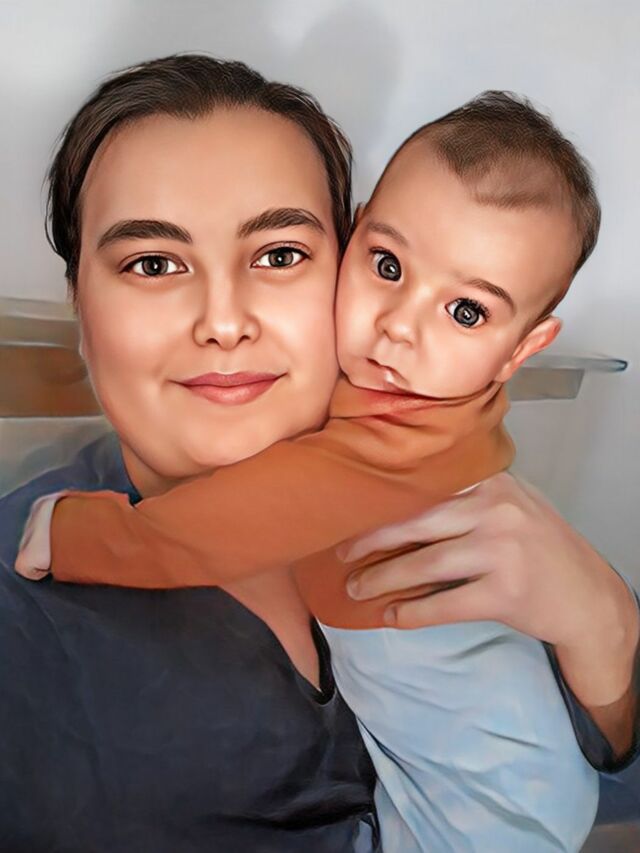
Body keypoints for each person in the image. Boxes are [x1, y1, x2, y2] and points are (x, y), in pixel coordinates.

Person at [1, 55, 638, 851]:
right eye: (153, 263)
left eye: (279, 254)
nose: (224, 322)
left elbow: (610, 778)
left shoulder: (487, 510)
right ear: (79, 303)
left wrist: (605, 626)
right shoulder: (21, 631)